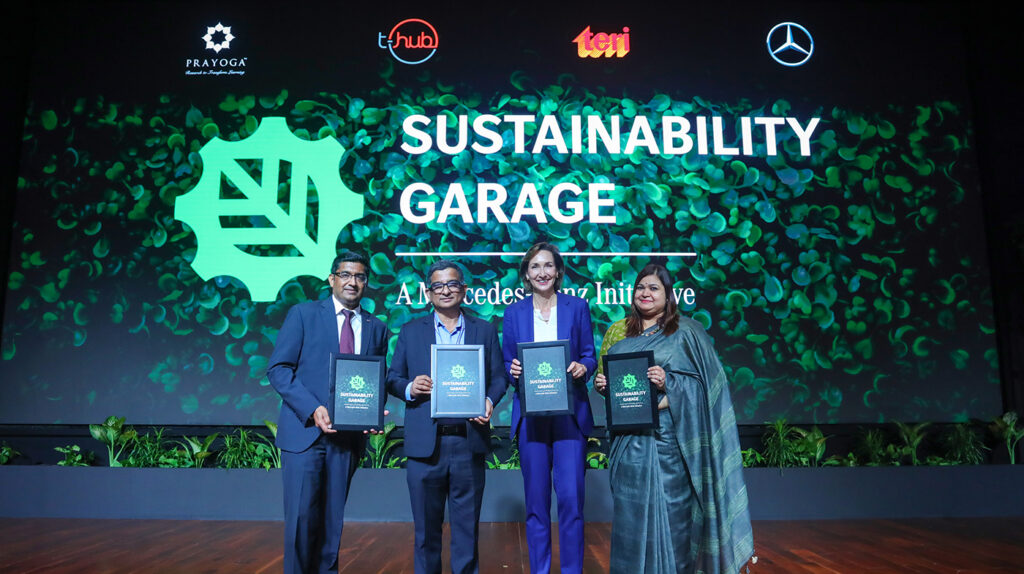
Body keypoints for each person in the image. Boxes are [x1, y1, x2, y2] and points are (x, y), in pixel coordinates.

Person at [594, 263, 753, 574]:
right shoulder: (621, 337)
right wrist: (604, 388)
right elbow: (623, 391)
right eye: (641, 287)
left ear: (668, 297)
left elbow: (703, 386)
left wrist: (669, 382)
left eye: (654, 288)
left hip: (668, 447)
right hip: (630, 447)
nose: (646, 293)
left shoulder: (686, 333)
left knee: (673, 522)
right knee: (631, 522)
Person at [267, 251, 390, 574]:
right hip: (304, 435)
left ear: (366, 283)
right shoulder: (303, 314)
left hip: (347, 439)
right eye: (346, 275)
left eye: (360, 276)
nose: (353, 282)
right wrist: (314, 409)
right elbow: (279, 369)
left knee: (332, 522)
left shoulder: (377, 328)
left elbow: (374, 378)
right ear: (332, 278)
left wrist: (373, 410)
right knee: (301, 519)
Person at [386, 260, 507, 574]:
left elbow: (498, 378)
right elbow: (393, 378)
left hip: (468, 442)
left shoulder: (484, 329)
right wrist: (411, 387)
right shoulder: (411, 332)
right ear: (428, 293)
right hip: (426, 444)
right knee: (426, 532)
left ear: (464, 289)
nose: (446, 290)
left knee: (467, 530)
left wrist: (490, 400)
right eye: (438, 286)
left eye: (452, 284)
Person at [502, 242, 596, 574]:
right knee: (536, 506)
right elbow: (506, 362)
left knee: (571, 502)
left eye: (548, 266)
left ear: (558, 271)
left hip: (570, 416)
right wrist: (511, 370)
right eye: (534, 267)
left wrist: (584, 368)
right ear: (526, 275)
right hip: (531, 418)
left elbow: (589, 355)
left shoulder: (577, 307)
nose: (542, 272)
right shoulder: (513, 313)